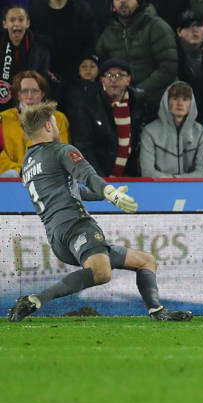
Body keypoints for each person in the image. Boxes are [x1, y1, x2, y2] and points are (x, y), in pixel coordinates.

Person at [7, 101, 193, 322]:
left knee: (146, 260)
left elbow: (72, 191)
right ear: (48, 126)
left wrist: (103, 195)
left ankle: (157, 311)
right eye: (55, 124)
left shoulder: (28, 163)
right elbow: (88, 176)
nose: (58, 129)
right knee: (102, 272)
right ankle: (35, 300)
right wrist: (110, 192)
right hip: (77, 226)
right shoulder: (62, 150)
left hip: (57, 238)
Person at [95, 0, 179, 107]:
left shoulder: (156, 26)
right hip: (123, 100)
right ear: (112, 6)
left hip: (159, 99)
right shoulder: (107, 33)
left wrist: (139, 91)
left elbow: (168, 67)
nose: (123, 1)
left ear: (138, 1)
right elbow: (99, 66)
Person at [27, 0, 96, 87]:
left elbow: (90, 43)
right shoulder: (35, 7)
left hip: (75, 72)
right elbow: (32, 43)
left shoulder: (82, 9)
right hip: (43, 72)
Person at [139, 80, 203, 177]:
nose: (180, 103)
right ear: (166, 101)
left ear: (191, 104)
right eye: (175, 98)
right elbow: (147, 172)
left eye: (185, 99)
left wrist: (176, 180)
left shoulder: (202, 133)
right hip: (159, 188)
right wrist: (173, 181)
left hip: (192, 189)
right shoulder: (149, 132)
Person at [0, 70, 66, 175]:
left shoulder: (58, 119)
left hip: (47, 176)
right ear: (18, 95)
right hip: (13, 176)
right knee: (10, 174)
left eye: (35, 91)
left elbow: (64, 154)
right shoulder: (3, 118)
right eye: (24, 91)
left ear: (42, 94)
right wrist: (22, 170)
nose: (29, 96)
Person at [0, 7, 50, 111]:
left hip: (30, 101)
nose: (17, 23)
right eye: (12, 20)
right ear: (5, 24)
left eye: (21, 20)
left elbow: (42, 79)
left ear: (27, 23)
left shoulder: (40, 46)